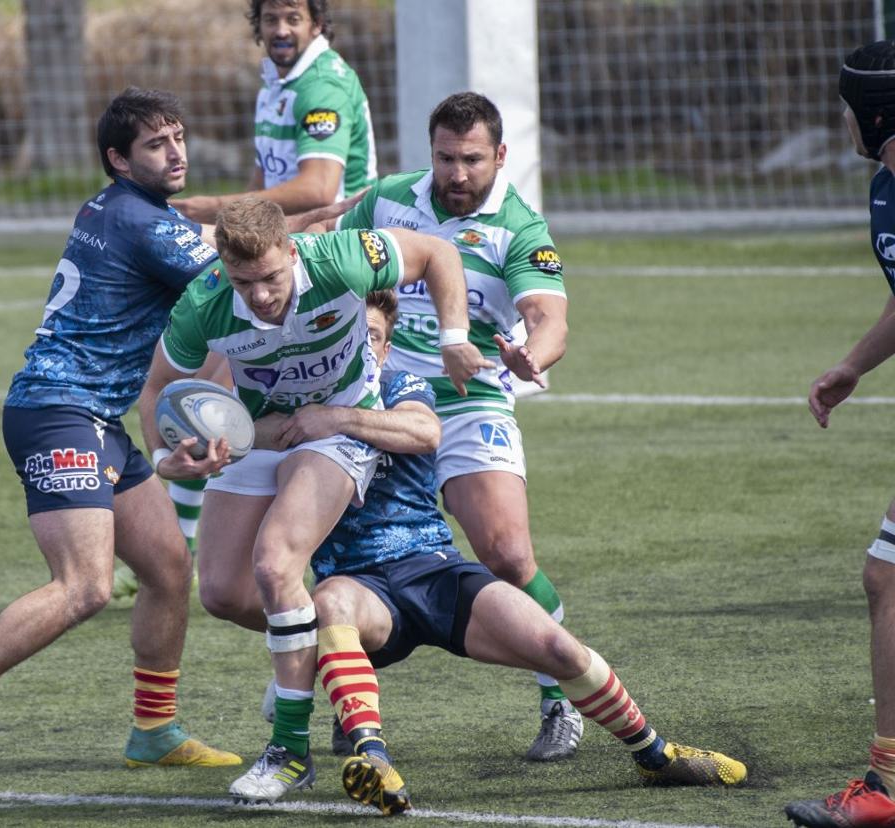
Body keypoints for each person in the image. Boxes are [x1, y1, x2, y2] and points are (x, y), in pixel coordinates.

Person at [266, 290, 746, 813]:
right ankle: (372, 756)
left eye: (373, 337)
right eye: (351, 338)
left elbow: (424, 432)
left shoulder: (403, 385)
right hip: (361, 590)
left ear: (383, 350)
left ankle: (656, 755)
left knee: (558, 648)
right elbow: (241, 438)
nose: (362, 347)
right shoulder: (293, 406)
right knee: (331, 600)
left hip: (435, 572)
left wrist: (334, 419)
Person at [0, 88, 240, 783]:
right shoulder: (143, 223)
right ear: (119, 159)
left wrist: (315, 217)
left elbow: (223, 239)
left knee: (170, 568)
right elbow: (244, 272)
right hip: (59, 413)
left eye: (179, 136)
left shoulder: (123, 209)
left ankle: (154, 728)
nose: (175, 152)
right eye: (156, 143)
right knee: (84, 586)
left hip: (94, 419)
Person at [139, 196, 486, 804]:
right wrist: (167, 456)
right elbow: (159, 389)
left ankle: (289, 751)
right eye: (245, 283)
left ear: (291, 252)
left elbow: (437, 252)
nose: (262, 295)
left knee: (276, 563)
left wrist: (455, 338)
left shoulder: (341, 261)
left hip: (337, 427)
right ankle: (305, 651)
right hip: (259, 432)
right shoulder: (203, 304)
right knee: (222, 592)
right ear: (224, 267)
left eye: (272, 278)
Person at [304, 91, 578, 761]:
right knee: (331, 559)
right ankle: (351, 693)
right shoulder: (390, 198)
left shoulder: (520, 227)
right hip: (375, 396)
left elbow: (551, 321)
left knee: (508, 554)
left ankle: (558, 700)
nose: (457, 174)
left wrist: (526, 355)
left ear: (501, 156)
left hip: (466, 400)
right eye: (445, 158)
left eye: (473, 160)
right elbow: (326, 256)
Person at [784, 40, 895, 828]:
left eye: (847, 105)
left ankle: (888, 788)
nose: (841, 119)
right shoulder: (886, 185)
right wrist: (853, 366)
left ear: (872, 111)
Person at [172, 0, 376, 224]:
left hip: (339, 237)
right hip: (290, 232)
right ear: (258, 24)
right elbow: (263, 183)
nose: (281, 31)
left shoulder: (322, 86)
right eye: (271, 19)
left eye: (293, 19)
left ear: (316, 24)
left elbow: (319, 190)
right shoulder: (276, 81)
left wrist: (211, 209)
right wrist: (229, 220)